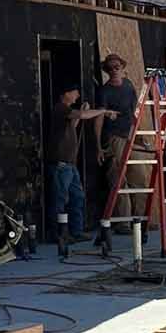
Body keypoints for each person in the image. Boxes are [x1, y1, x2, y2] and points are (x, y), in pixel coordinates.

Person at [47, 85, 112, 244]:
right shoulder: (60, 108)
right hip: (61, 164)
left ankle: (75, 231)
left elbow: (75, 123)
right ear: (65, 93)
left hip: (70, 165)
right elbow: (82, 115)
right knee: (60, 200)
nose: (77, 96)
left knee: (77, 197)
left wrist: (81, 113)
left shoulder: (66, 112)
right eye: (74, 92)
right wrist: (102, 111)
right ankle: (59, 234)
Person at [95, 54, 151, 235]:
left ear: (122, 67)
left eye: (116, 66)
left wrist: (140, 134)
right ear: (107, 71)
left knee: (140, 177)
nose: (114, 70)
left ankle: (140, 220)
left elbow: (136, 112)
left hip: (131, 136)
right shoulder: (105, 91)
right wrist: (98, 146)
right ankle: (123, 223)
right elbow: (99, 118)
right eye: (110, 68)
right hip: (115, 138)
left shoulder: (128, 86)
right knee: (119, 180)